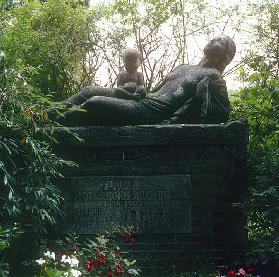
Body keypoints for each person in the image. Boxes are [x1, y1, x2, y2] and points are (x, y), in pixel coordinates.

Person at [51, 35, 236, 126]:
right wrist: (137, 91)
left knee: (94, 102)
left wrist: (199, 98)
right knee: (89, 90)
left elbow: (220, 113)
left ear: (225, 55)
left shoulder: (213, 76)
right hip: (141, 101)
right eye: (212, 38)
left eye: (218, 41)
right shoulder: (183, 66)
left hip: (150, 113)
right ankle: (46, 114)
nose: (212, 40)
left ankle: (53, 124)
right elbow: (154, 90)